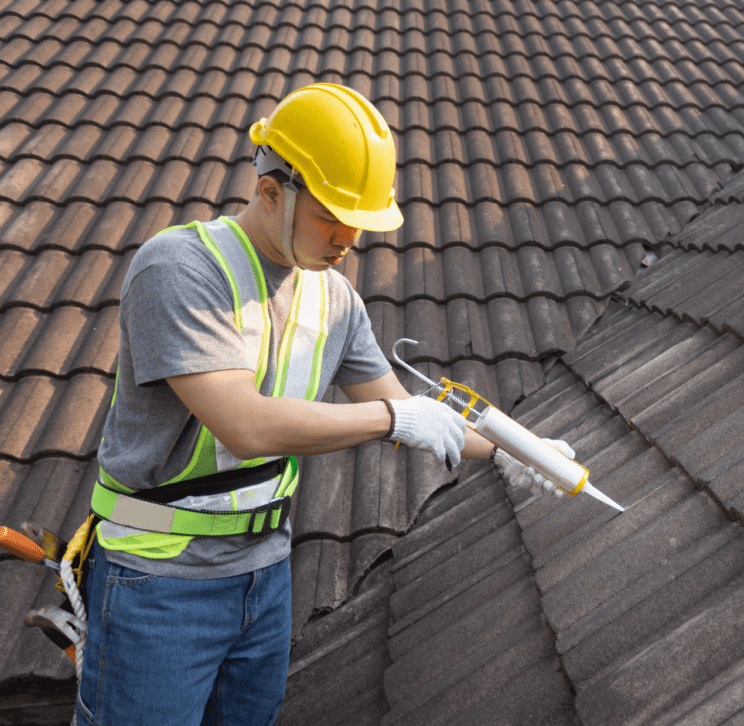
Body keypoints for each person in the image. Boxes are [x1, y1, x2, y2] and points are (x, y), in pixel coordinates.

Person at [76, 83, 571, 726]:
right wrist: (395, 419)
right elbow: (247, 426)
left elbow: (413, 414)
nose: (347, 239)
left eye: (357, 222)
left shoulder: (336, 299)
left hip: (265, 576)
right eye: (330, 217)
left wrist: (519, 451)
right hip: (159, 583)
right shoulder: (178, 268)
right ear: (271, 188)